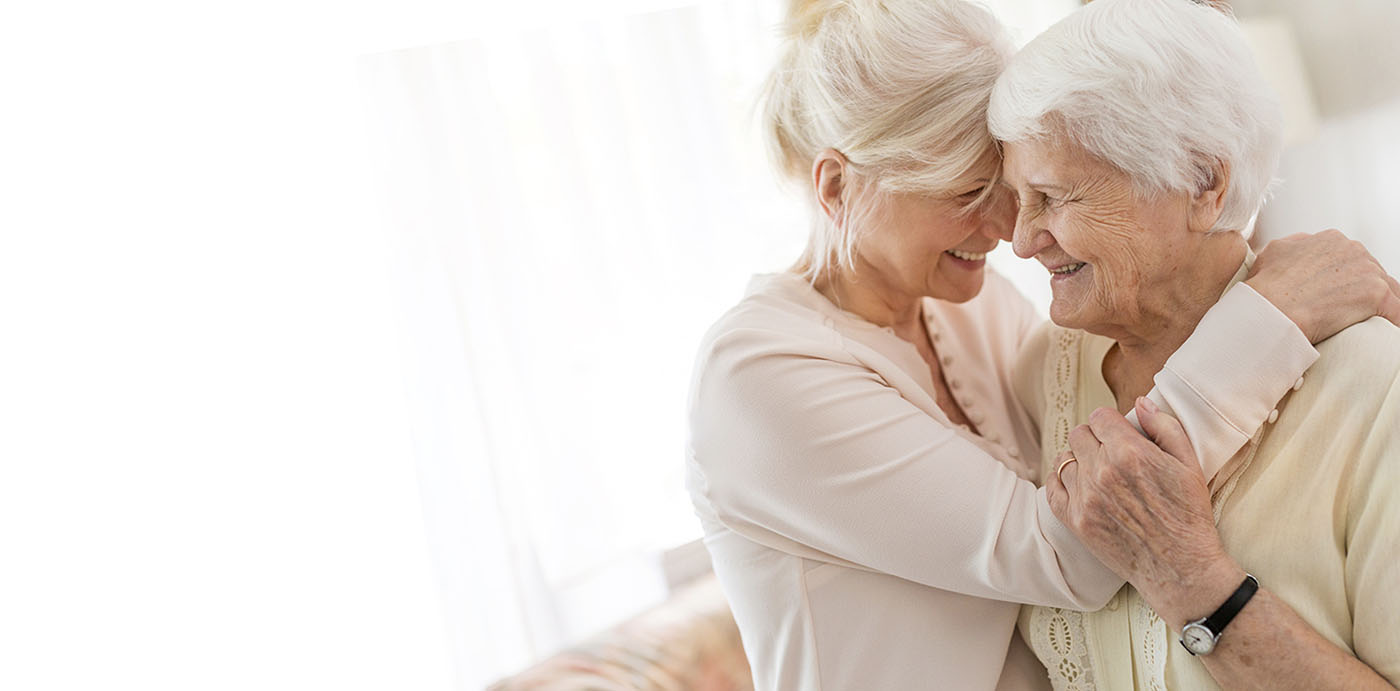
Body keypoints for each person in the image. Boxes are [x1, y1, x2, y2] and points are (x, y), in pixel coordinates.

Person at [686, 0, 1400, 688]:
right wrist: (1267, 319)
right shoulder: (758, 378)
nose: (1008, 232)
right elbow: (1073, 546)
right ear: (838, 185)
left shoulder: (972, 308)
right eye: (968, 191)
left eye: (1023, 186)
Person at [990, 0, 1400, 688]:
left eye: (1054, 197)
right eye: (1016, 200)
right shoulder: (1042, 374)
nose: (1023, 240)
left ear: (1202, 184)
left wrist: (1192, 582)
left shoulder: (1376, 388)